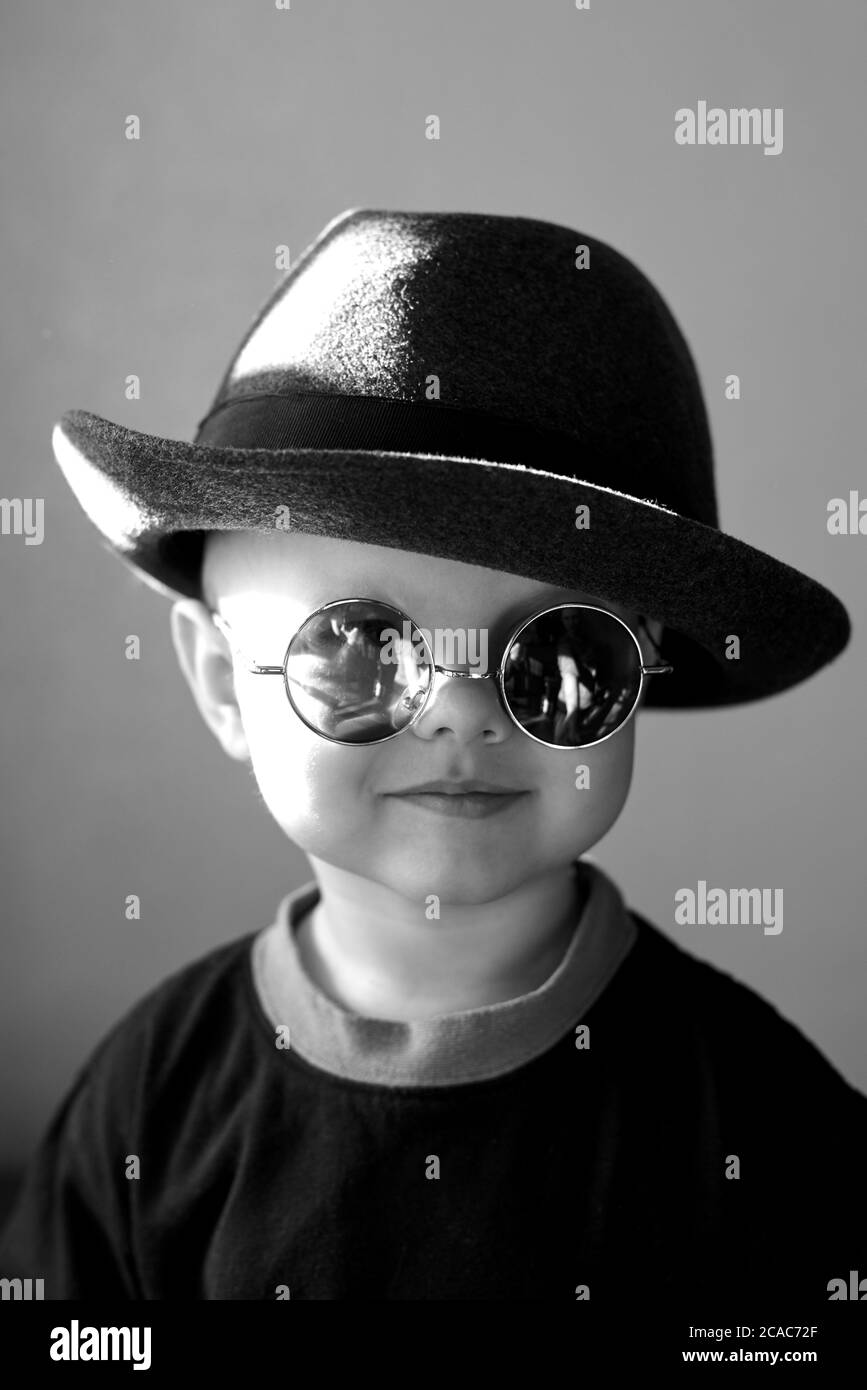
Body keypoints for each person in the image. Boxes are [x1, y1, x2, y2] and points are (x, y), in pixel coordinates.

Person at [2, 208, 864, 1306]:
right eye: (360, 650)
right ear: (226, 682)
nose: (460, 715)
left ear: (642, 674)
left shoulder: (762, 1117)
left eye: (558, 656)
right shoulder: (150, 1101)